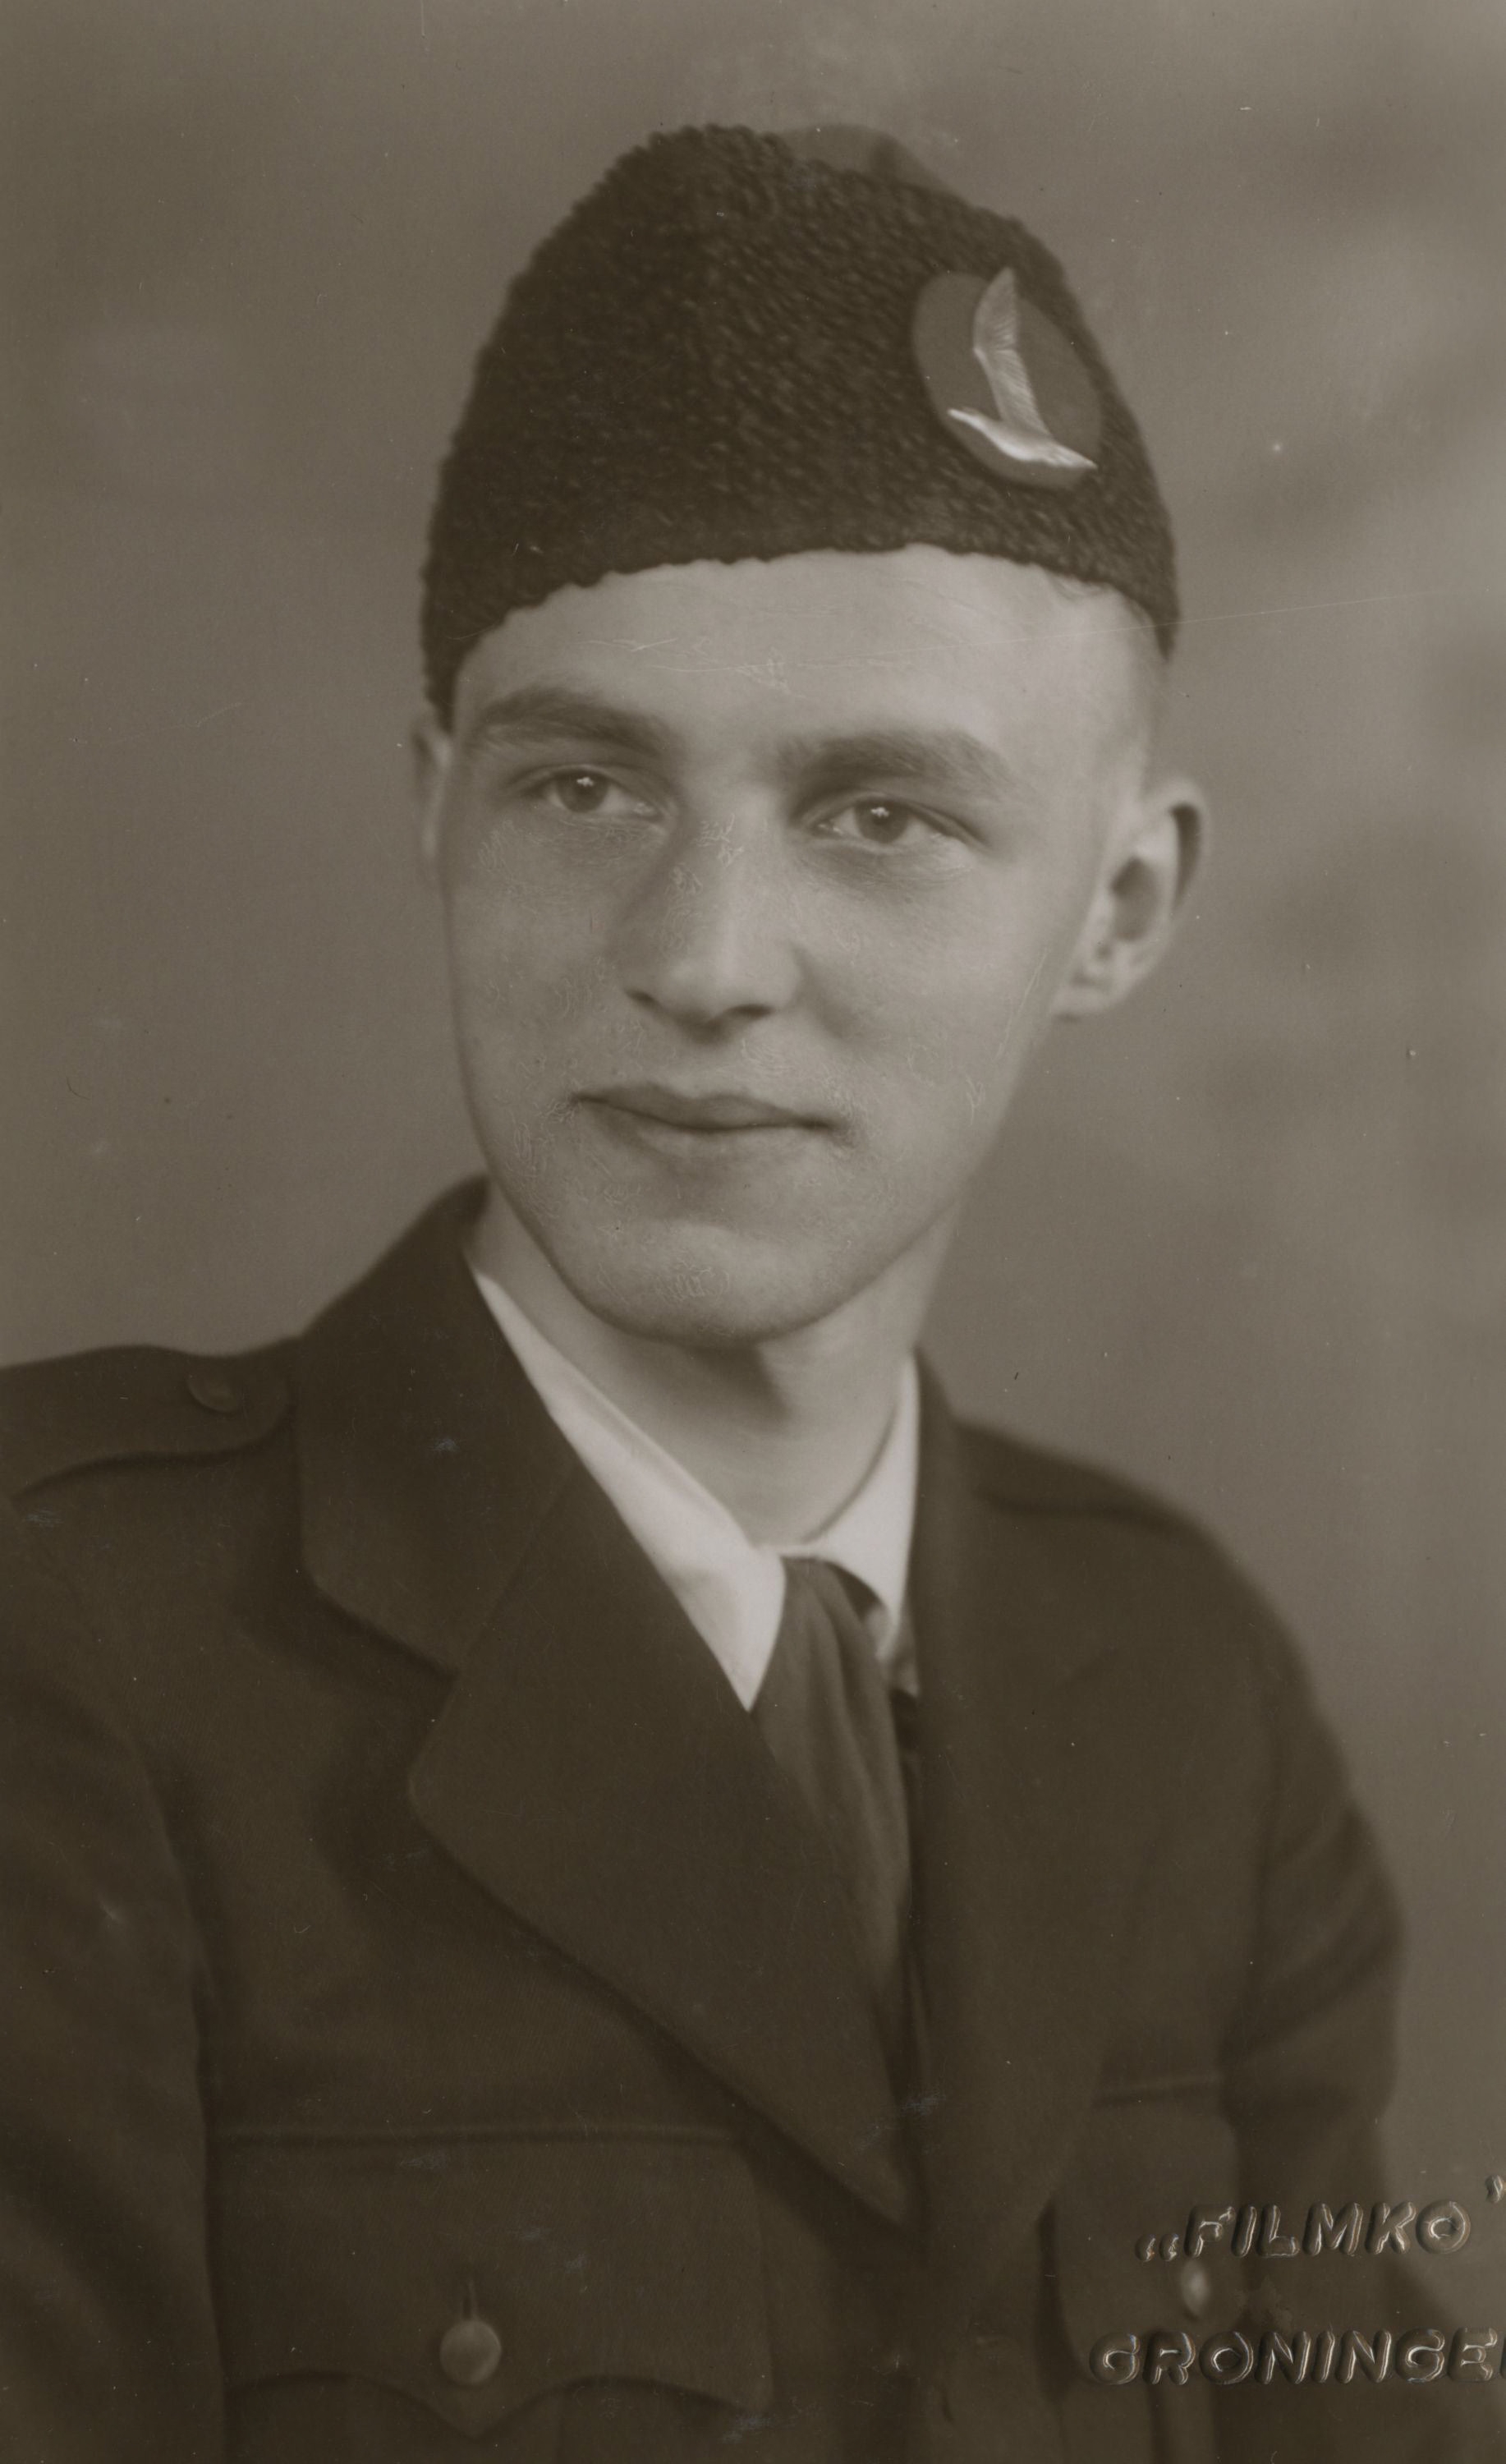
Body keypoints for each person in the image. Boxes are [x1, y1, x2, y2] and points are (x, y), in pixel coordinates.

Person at [2, 123, 1499, 2464]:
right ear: (433, 816)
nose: (699, 964)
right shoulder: (68, 1636)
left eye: (878, 815)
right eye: (584, 787)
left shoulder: (1178, 1695)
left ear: (1117, 913)